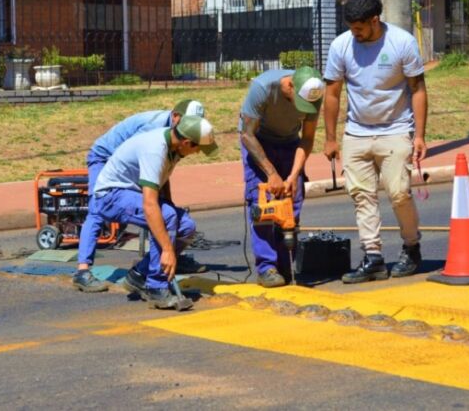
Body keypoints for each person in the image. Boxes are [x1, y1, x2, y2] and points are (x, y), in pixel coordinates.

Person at [322, 0, 428, 284]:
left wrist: (419, 136)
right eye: (350, 27)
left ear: (374, 20)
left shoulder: (402, 42)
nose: (354, 32)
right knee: (361, 196)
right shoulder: (341, 46)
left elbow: (417, 89)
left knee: (399, 193)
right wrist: (330, 139)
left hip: (395, 129)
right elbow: (332, 94)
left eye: (359, 27)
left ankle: (411, 246)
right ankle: (373, 258)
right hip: (356, 132)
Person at [72, 100, 206, 292]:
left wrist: (166, 205)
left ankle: (159, 261)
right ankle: (82, 271)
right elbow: (139, 160)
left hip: (128, 167)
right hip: (106, 158)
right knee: (97, 210)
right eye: (189, 122)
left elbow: (159, 172)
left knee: (165, 214)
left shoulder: (176, 136)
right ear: (176, 116)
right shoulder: (154, 129)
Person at [92, 115, 218, 309]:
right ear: (186, 142)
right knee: (166, 216)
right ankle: (156, 288)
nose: (199, 152)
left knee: (186, 226)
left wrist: (171, 217)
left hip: (131, 193)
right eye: (198, 148)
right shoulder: (155, 150)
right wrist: (167, 250)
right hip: (110, 196)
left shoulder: (175, 148)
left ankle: (139, 275)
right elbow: (150, 205)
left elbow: (161, 185)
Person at [239, 66, 325, 288]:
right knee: (263, 204)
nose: (303, 108)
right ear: (289, 86)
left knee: (291, 200)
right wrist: (272, 173)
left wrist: (293, 175)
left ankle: (285, 263)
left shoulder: (314, 93)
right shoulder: (263, 88)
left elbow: (306, 139)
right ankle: (267, 267)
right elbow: (247, 135)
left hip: (289, 142)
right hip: (258, 141)